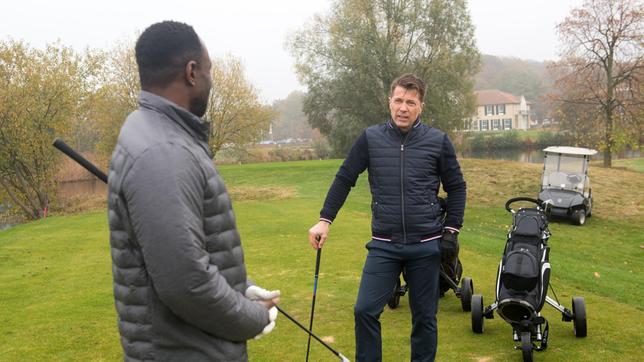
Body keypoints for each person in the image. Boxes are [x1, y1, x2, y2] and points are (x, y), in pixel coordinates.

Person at [107, 21, 279, 361]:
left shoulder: (157, 133)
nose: (210, 80)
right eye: (210, 70)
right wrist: (252, 317)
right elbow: (186, 283)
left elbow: (188, 250)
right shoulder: (163, 151)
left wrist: (238, 290)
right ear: (191, 72)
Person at [308, 73, 466, 362]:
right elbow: (345, 178)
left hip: (426, 244)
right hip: (384, 245)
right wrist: (324, 220)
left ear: (421, 106)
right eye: (398, 100)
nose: (403, 107)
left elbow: (456, 187)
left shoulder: (437, 141)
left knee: (425, 318)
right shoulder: (370, 138)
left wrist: (451, 230)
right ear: (389, 102)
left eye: (410, 102)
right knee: (364, 310)